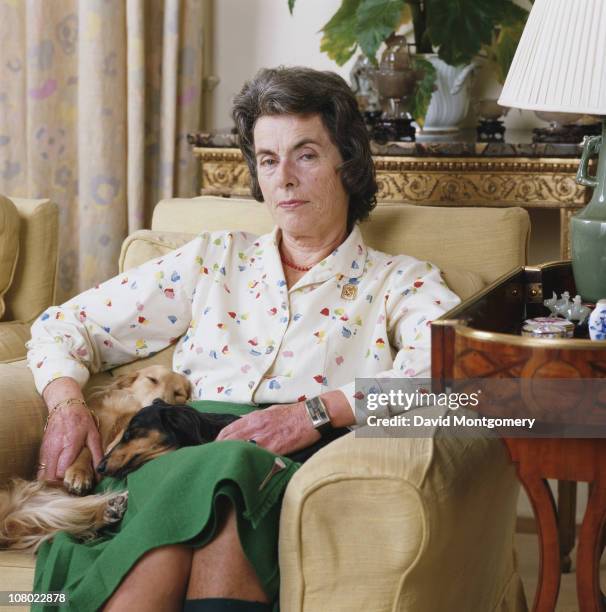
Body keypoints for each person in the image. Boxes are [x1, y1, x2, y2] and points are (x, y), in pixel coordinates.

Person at [27, 66, 460, 612]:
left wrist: (314, 414)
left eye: (305, 154)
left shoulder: (399, 280)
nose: (284, 179)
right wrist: (66, 405)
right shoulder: (213, 258)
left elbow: (453, 371)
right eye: (269, 160)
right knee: (217, 470)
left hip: (286, 469)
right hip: (166, 455)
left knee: (231, 469)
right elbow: (62, 326)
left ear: (347, 162)